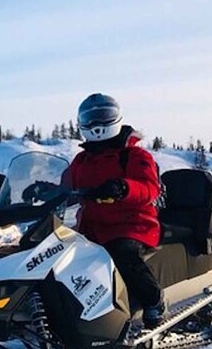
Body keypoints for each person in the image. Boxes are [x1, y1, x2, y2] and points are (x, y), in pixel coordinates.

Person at [67, 93, 165, 328]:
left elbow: (149, 188)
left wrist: (124, 187)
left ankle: (154, 301)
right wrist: (43, 188)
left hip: (132, 226)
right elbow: (66, 184)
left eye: (103, 117)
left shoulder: (134, 155)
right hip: (90, 227)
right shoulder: (82, 159)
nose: (97, 124)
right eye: (91, 119)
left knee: (122, 254)